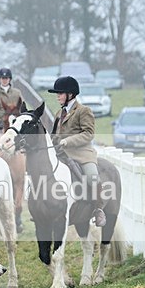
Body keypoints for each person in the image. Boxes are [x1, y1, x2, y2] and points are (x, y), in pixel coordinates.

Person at [48, 75, 103, 224]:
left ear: (70, 94)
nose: (57, 96)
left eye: (60, 93)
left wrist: (68, 141)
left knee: (92, 177)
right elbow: (54, 135)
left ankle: (98, 209)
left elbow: (88, 134)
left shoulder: (83, 111)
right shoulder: (59, 113)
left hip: (81, 154)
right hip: (61, 154)